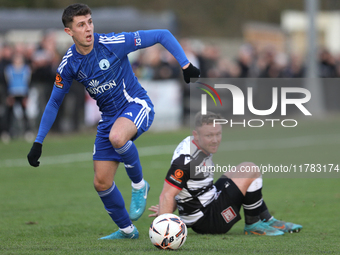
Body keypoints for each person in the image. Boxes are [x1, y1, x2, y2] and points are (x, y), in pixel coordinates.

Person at [27, 3, 200, 240]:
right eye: (81, 24)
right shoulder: (69, 64)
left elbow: (162, 34)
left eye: (89, 21)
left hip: (136, 105)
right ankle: (127, 231)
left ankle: (139, 185)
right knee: (101, 182)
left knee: (117, 137)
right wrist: (38, 142)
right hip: (109, 118)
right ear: (69, 32)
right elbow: (54, 103)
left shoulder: (112, 43)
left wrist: (186, 65)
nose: (88, 28)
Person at [148, 111, 302, 235]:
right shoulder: (187, 161)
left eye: (218, 134)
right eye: (209, 135)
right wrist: (163, 226)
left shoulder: (199, 145)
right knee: (250, 169)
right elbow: (166, 195)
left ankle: (268, 220)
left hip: (207, 202)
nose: (215, 140)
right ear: (196, 135)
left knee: (242, 170)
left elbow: (185, 189)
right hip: (208, 219)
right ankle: (253, 225)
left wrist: (171, 206)